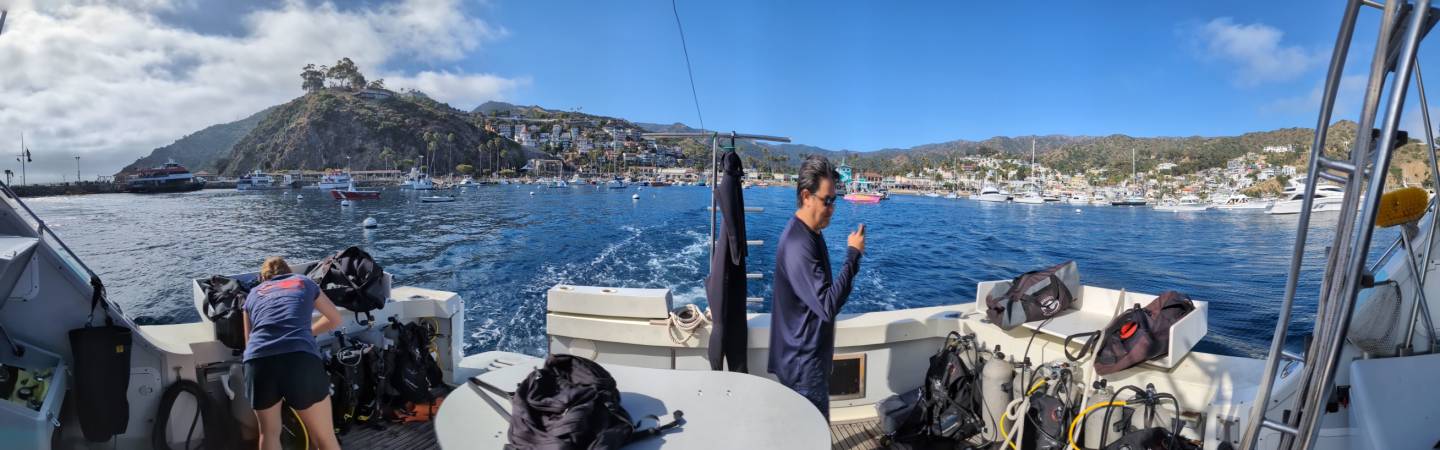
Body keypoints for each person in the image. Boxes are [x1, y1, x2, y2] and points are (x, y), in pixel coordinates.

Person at [769, 155, 865, 419]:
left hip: (808, 359)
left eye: (835, 200)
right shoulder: (799, 244)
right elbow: (827, 306)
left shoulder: (811, 233)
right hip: (803, 366)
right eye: (828, 200)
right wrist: (853, 256)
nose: (833, 207)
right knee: (813, 433)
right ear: (806, 196)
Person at [243, 257, 343, 450]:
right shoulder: (303, 281)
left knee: (269, 433)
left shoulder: (252, 294)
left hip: (258, 362)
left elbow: (249, 342)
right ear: (288, 271)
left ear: (263, 278)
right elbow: (335, 319)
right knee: (325, 438)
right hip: (299, 359)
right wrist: (307, 332)